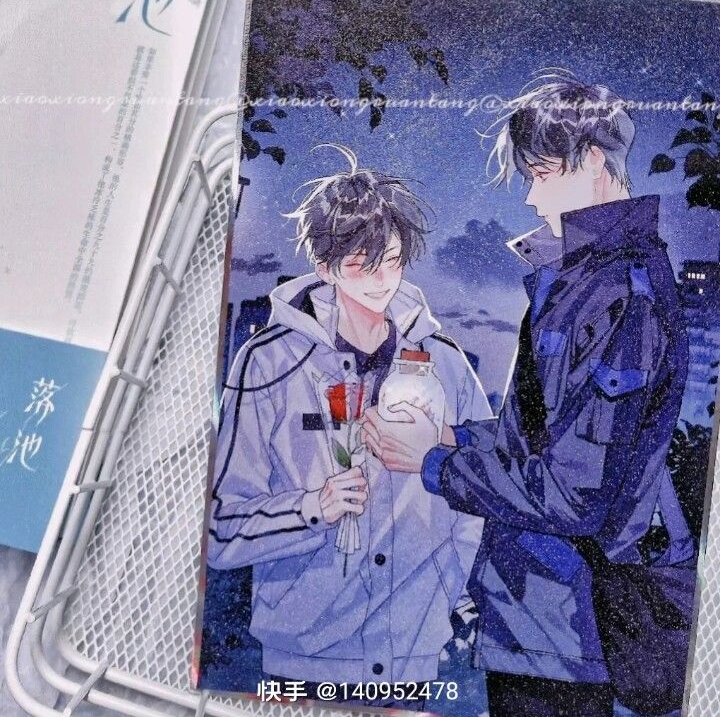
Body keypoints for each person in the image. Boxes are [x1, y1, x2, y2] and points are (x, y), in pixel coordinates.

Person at [363, 76, 691, 717]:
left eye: (542, 174)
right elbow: (542, 439)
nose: (532, 196)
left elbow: (575, 492)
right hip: (538, 614)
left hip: (567, 623)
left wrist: (435, 462)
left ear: (591, 161)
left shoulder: (620, 293)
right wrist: (454, 436)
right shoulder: (583, 281)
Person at [208, 146, 491, 690]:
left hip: (412, 657)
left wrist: (449, 597)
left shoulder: (446, 364)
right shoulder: (269, 361)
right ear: (324, 265)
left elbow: (479, 493)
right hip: (303, 658)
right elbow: (219, 527)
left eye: (393, 260)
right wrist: (312, 508)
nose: (382, 279)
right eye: (362, 263)